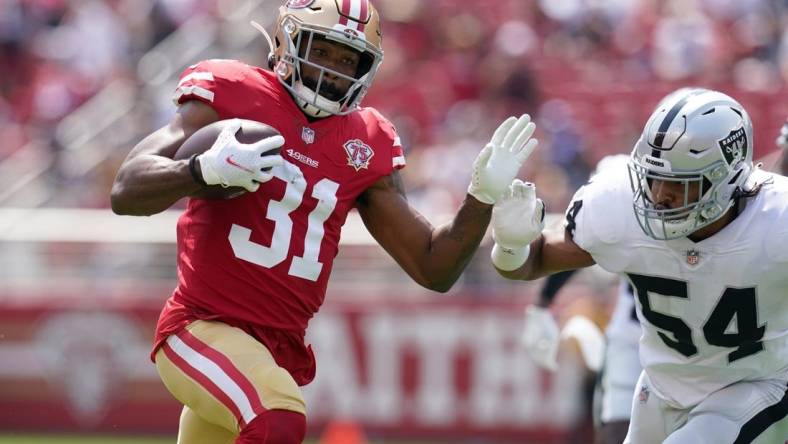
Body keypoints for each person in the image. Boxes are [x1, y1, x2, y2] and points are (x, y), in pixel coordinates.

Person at [110, 1, 539, 443]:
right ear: (289, 40)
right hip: (200, 327)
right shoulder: (235, 93)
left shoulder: (365, 140)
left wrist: (481, 197)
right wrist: (200, 171)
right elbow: (126, 190)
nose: (334, 70)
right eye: (324, 50)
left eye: (348, 60)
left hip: (274, 348)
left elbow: (433, 266)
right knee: (278, 417)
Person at [491, 87, 788, 443]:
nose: (660, 196)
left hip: (756, 384)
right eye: (653, 178)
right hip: (662, 385)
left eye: (681, 185)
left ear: (726, 180)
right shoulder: (620, 206)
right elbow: (529, 264)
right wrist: (511, 244)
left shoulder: (777, 220)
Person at [521, 155, 642, 444]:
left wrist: (542, 303)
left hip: (682, 347)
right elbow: (580, 247)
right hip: (631, 338)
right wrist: (542, 303)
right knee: (616, 430)